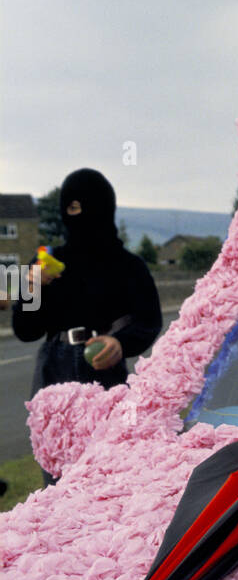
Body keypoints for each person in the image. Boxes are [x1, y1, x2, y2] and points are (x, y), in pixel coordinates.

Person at [12, 168, 162, 484]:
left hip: (103, 366)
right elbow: (25, 330)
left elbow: (149, 320)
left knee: (108, 469)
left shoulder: (128, 264)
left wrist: (121, 342)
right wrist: (31, 290)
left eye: (81, 206)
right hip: (53, 367)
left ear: (103, 208)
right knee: (57, 467)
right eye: (69, 208)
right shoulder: (46, 260)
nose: (74, 215)